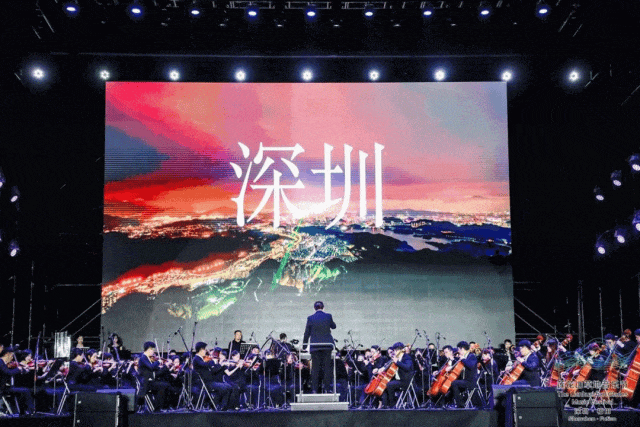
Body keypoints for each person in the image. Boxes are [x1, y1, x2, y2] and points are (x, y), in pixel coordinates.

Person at [302, 301, 336, 393]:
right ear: (323, 307)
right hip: (327, 346)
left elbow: (307, 332)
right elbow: (334, 326)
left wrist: (304, 346)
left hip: (315, 346)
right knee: (327, 368)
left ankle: (314, 389)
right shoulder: (328, 316)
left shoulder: (310, 318)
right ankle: (327, 389)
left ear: (314, 308)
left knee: (315, 369)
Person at [192, 341, 232, 410]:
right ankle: (216, 405)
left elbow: (213, 370)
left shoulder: (202, 359)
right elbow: (204, 365)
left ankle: (221, 406)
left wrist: (218, 363)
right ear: (201, 350)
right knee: (226, 387)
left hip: (210, 381)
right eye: (205, 349)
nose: (206, 351)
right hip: (205, 383)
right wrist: (212, 361)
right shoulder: (196, 359)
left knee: (228, 387)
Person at [0, 346, 34, 415]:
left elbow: (10, 371)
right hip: (1, 388)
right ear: (7, 354)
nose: (12, 358)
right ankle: (29, 412)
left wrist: (24, 370)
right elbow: (8, 372)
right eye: (12, 355)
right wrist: (19, 369)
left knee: (24, 390)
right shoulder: (0, 362)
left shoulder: (3, 363)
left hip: (4, 387)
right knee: (25, 391)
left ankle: (24, 411)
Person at [380, 342, 414, 408]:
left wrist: (397, 362)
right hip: (399, 380)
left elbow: (407, 367)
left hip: (406, 381)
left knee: (390, 385)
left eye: (395, 351)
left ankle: (392, 405)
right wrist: (383, 368)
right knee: (385, 384)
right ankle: (386, 404)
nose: (394, 353)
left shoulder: (407, 357)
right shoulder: (398, 358)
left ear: (399, 350)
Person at [137, 341, 168, 412]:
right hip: (146, 382)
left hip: (150, 381)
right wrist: (158, 361)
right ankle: (156, 408)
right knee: (162, 386)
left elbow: (154, 368)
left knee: (164, 386)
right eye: (153, 350)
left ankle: (158, 407)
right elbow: (151, 367)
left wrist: (164, 367)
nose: (153, 352)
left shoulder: (147, 358)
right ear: (149, 349)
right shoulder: (143, 358)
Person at [450, 341, 480, 408]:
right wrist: (453, 360)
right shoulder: (464, 357)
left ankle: (460, 404)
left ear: (463, 349)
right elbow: (458, 367)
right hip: (465, 380)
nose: (458, 351)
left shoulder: (472, 356)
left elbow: (470, 366)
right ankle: (452, 402)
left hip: (470, 381)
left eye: (459, 350)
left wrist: (463, 359)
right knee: (451, 383)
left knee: (454, 383)